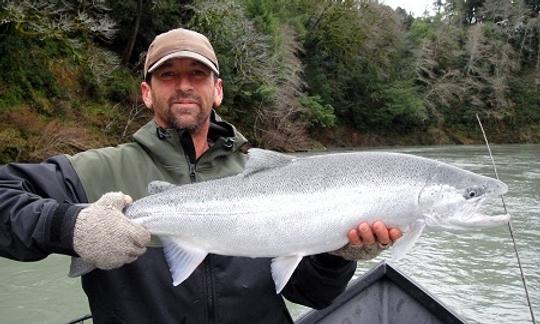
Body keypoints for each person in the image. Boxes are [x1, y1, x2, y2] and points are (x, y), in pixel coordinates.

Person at [0, 28, 401, 323]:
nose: (184, 86)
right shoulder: (96, 170)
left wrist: (336, 254)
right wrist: (71, 225)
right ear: (146, 92)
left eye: (198, 74)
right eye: (168, 76)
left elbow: (313, 294)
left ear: (218, 89)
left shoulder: (274, 177)